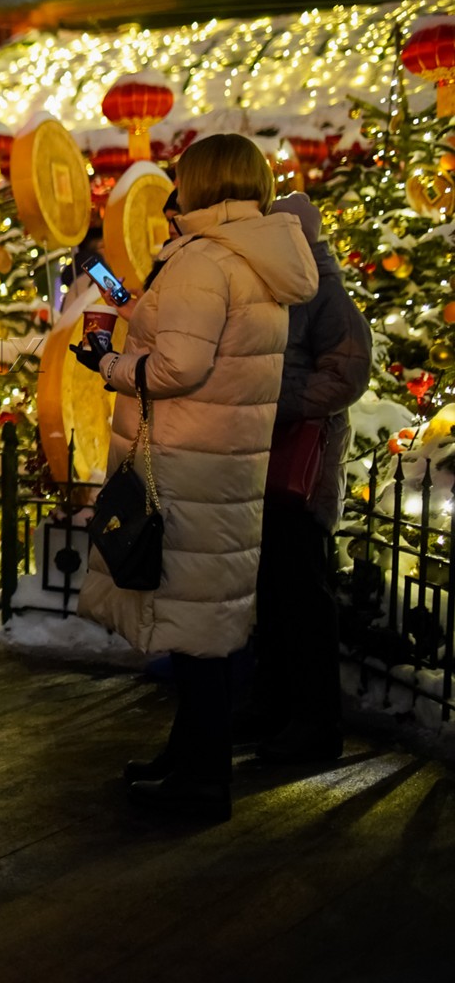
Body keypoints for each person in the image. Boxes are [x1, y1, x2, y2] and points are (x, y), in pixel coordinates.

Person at [72, 133, 316, 821]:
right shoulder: (248, 256)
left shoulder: (203, 262)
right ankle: (187, 758)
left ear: (202, 181)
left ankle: (202, 782)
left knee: (195, 637)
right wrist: (121, 294)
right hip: (221, 466)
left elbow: (177, 368)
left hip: (185, 468)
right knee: (201, 624)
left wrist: (108, 367)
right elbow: (181, 330)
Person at [242, 192, 370, 763]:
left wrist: (276, 400)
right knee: (273, 593)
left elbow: (345, 375)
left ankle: (315, 723)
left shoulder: (325, 295)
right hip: (268, 464)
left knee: (301, 597)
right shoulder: (285, 286)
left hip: (301, 471)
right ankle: (275, 707)